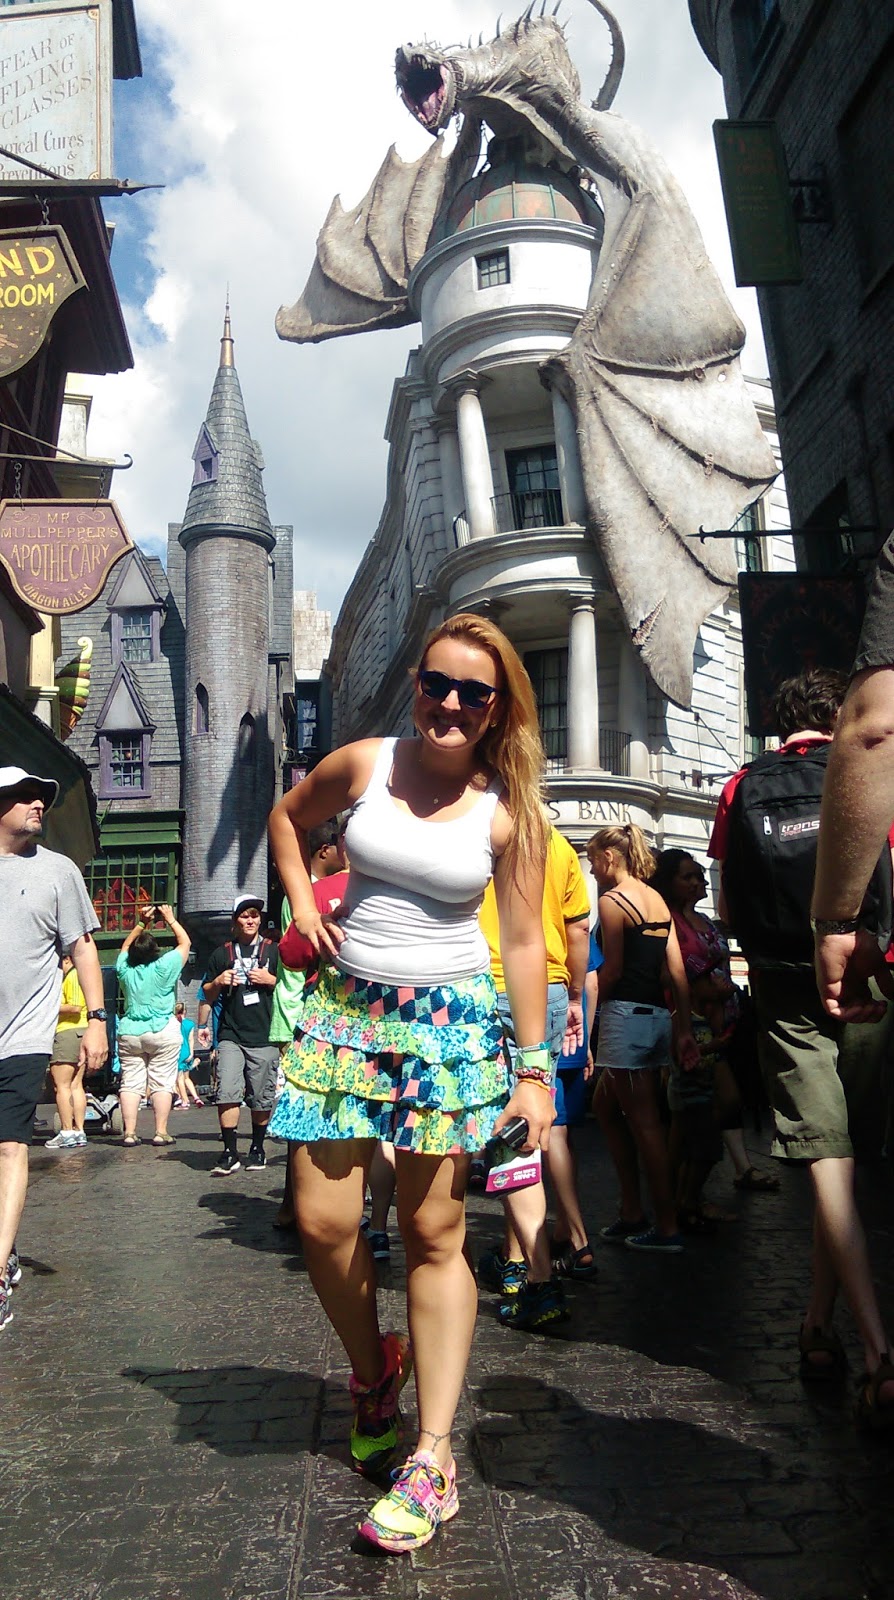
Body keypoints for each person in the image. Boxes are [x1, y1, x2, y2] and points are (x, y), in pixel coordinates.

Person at [267, 612, 550, 1553]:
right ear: (417, 685)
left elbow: (522, 944)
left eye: (474, 692)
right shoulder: (364, 764)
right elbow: (288, 818)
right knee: (322, 1224)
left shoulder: (506, 812)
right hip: (345, 1016)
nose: (451, 703)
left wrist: (535, 1072)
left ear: (498, 708)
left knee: (434, 1233)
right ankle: (374, 1369)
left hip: (446, 1032)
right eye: (438, 683)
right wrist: (303, 903)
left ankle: (433, 1456)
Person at [711, 669, 894, 1428]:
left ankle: (821, 1326)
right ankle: (880, 1352)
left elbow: (726, 904)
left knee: (827, 1158)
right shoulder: (872, 764)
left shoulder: (741, 786)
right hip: (868, 970)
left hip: (784, 981)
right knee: (844, 1157)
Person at [0, 767, 107, 1330]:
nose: (38, 804)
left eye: (41, 797)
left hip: (24, 1035)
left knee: (9, 1146)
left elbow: (83, 948)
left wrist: (97, 1020)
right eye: (25, 797)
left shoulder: (58, 870)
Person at [477, 826, 589, 1323]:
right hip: (550, 988)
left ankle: (537, 1277)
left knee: (510, 1136)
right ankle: (515, 1262)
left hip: (486, 984)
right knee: (524, 1130)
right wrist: (575, 995)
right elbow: (578, 930)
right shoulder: (557, 844)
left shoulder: (478, 828)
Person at [588, 823, 699, 1253]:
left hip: (625, 1017)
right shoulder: (657, 901)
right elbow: (677, 971)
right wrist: (683, 1029)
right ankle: (632, 1210)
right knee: (606, 1107)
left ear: (609, 857)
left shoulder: (613, 901)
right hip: (655, 1018)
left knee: (646, 1123)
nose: (592, 870)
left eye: (593, 860)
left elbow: (612, 970)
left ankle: (666, 1225)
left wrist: (587, 1017)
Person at [650, 850, 777, 1224]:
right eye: (687, 876)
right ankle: (681, 1199)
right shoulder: (666, 921)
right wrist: (702, 985)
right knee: (700, 1112)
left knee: (697, 1115)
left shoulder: (704, 920)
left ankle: (677, 1198)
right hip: (689, 1027)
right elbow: (664, 973)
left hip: (720, 1028)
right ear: (669, 881)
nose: (698, 882)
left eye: (699, 876)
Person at [202, 896, 279, 1176]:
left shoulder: (274, 952)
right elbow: (206, 994)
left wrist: (272, 980)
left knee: (261, 1096)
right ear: (235, 920)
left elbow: (293, 989)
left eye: (254, 915)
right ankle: (229, 1152)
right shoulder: (222, 954)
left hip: (265, 1034)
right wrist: (218, 982)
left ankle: (257, 1147)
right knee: (227, 1091)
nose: (250, 920)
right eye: (245, 916)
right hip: (230, 1033)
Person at [116, 905, 192, 1146]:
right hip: (162, 1030)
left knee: (130, 1082)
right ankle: (160, 1132)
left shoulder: (124, 969)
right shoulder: (164, 966)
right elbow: (185, 943)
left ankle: (129, 1133)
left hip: (130, 1032)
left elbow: (124, 948)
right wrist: (170, 918)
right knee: (163, 1081)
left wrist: (141, 923)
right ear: (155, 951)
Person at [45, 956, 89, 1149]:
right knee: (76, 1085)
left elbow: (75, 1006)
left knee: (61, 1086)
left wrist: (48, 1005)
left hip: (67, 1033)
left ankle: (67, 1132)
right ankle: (79, 1131)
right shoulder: (81, 975)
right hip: (81, 1032)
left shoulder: (72, 976)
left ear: (66, 959)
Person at [174, 1001, 204, 1109]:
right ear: (185, 1011)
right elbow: (191, 1039)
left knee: (179, 1078)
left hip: (178, 1051)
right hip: (187, 1051)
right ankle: (196, 1097)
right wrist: (191, 1053)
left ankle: (185, 1101)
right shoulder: (190, 1024)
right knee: (187, 1077)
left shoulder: (174, 1023)